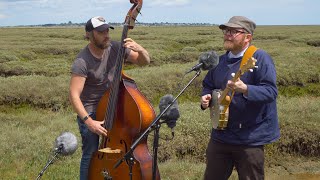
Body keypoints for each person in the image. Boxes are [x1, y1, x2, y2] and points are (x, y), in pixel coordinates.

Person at [69, 16, 150, 180]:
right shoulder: (82, 61)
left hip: (112, 108)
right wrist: (88, 122)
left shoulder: (115, 47)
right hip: (90, 112)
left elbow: (144, 62)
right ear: (89, 35)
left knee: (121, 149)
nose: (106, 34)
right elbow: (74, 95)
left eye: (107, 30)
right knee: (91, 153)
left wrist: (140, 50)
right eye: (101, 32)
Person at [200, 16, 280, 180]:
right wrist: (205, 97)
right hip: (221, 135)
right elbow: (207, 84)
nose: (227, 34)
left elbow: (271, 91)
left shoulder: (260, 58)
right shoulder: (220, 61)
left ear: (247, 37)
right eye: (226, 30)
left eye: (233, 31)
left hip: (250, 138)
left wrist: (246, 89)